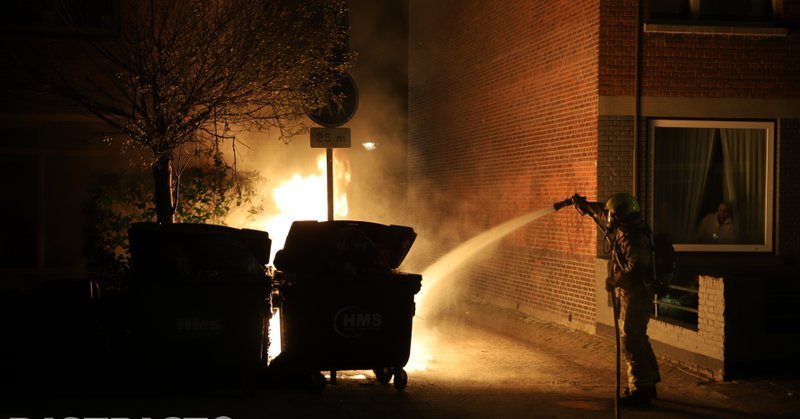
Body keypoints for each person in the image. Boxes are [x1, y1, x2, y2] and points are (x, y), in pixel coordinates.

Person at [575, 193, 660, 409]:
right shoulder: (628, 224)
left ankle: (641, 393)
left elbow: (636, 268)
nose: (608, 218)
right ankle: (649, 383)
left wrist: (613, 281)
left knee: (630, 340)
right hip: (634, 292)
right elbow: (603, 211)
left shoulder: (632, 237)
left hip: (637, 294)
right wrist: (585, 206)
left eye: (612, 215)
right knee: (638, 336)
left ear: (619, 216)